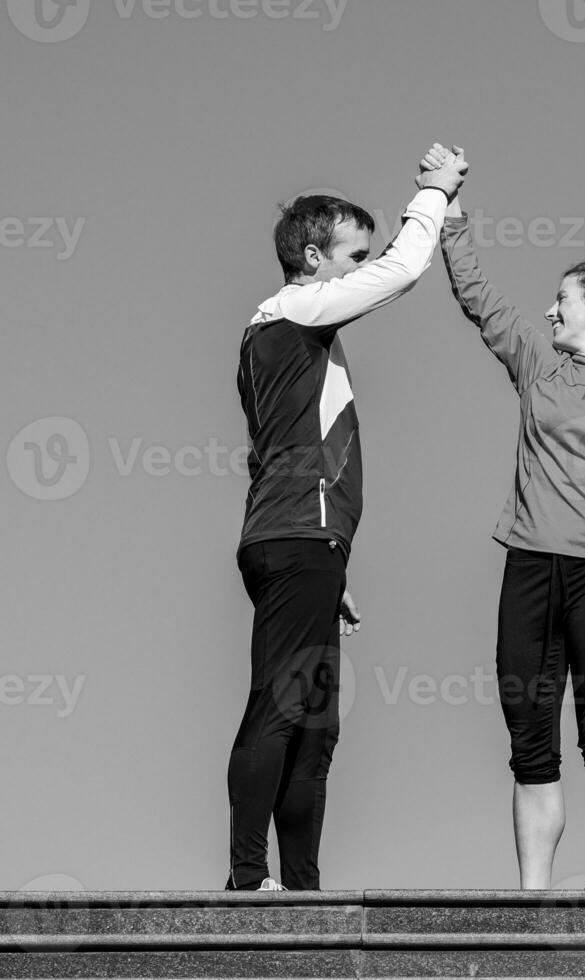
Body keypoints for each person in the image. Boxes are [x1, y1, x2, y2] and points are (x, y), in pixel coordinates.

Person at [422, 144, 585, 890]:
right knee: (528, 739)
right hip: (528, 570)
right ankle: (532, 898)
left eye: (563, 299)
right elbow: (476, 296)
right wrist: (446, 208)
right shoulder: (537, 364)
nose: (550, 309)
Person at [226, 150, 469, 891]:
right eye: (350, 255)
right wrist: (431, 193)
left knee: (316, 726)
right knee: (280, 703)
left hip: (304, 544)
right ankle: (245, 879)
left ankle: (301, 887)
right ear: (310, 256)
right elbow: (399, 273)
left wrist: (331, 564)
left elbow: (275, 452)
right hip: (297, 540)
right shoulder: (295, 311)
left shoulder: (281, 339)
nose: (362, 266)